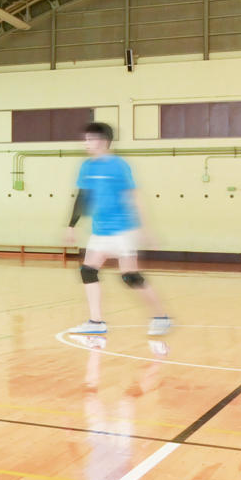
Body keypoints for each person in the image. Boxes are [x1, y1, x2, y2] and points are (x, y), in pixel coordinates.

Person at [65, 123, 170, 336]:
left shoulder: (119, 165)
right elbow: (82, 196)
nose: (85, 143)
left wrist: (143, 228)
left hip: (123, 229)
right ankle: (96, 322)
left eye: (89, 139)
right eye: (85, 139)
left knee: (130, 276)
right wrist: (71, 225)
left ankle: (161, 317)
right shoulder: (87, 166)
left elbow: (134, 195)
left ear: (103, 141)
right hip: (100, 230)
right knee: (88, 271)